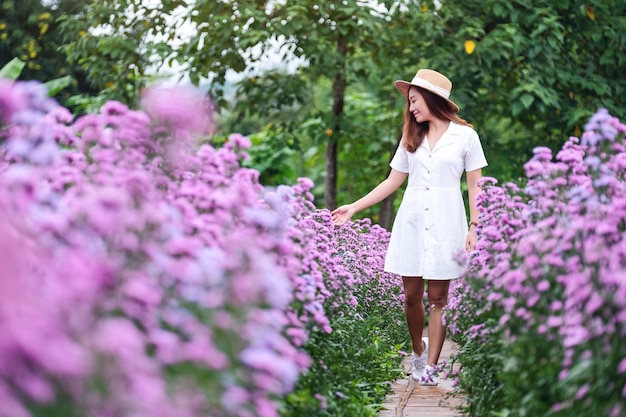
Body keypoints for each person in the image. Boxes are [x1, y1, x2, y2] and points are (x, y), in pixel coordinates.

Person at [331, 69, 487, 385]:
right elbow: (392, 181)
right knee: (411, 296)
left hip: (448, 220)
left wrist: (474, 226)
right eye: (410, 102)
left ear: (433, 99)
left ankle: (430, 367)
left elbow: (476, 186)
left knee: (438, 299)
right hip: (413, 219)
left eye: (415, 101)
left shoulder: (466, 137)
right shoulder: (410, 138)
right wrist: (354, 206)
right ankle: (418, 350)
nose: (411, 108)